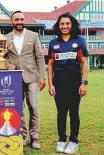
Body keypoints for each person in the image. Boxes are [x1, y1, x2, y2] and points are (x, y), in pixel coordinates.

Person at [48, 12, 89, 154]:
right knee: (61, 112)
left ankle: (73, 141)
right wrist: (50, 84)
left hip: (75, 83)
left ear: (72, 25)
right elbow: (51, 64)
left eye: (67, 23)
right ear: (58, 26)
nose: (64, 26)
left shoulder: (79, 41)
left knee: (74, 112)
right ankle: (61, 139)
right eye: (62, 24)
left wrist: (84, 83)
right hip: (58, 83)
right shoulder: (54, 43)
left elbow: (84, 63)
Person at [6, 11, 46, 149]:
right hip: (14, 78)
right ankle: (22, 136)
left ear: (24, 20)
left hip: (32, 77)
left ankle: (35, 138)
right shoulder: (6, 38)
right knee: (18, 109)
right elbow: (3, 57)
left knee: (34, 108)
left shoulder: (33, 35)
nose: (19, 22)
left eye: (22, 19)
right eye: (16, 19)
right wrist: (7, 64)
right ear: (12, 22)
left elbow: (40, 57)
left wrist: (42, 77)